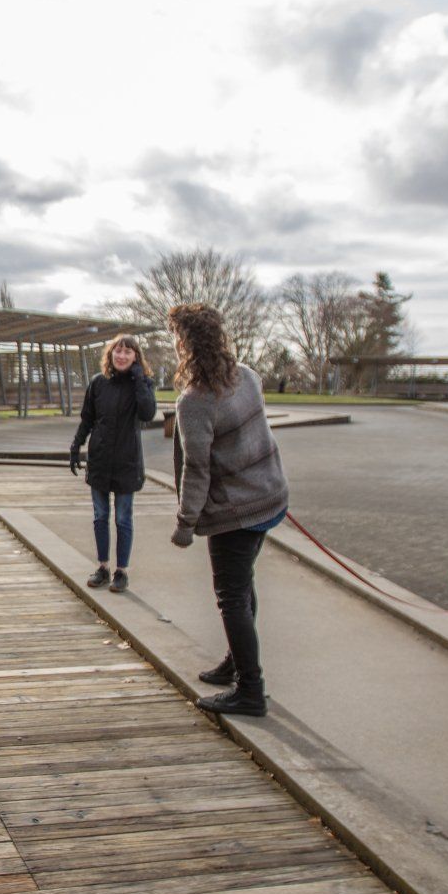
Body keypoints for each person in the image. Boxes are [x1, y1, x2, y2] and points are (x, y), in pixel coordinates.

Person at [168, 302, 290, 717]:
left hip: (237, 511)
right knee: (243, 584)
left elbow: (197, 469)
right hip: (270, 499)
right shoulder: (247, 376)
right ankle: (236, 662)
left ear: (185, 343)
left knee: (231, 596)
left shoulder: (195, 400)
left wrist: (185, 523)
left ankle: (250, 691)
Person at [69, 334, 157, 593]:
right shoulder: (98, 383)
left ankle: (122, 571)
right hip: (100, 459)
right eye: (118, 351)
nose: (122, 356)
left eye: (128, 352)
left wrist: (140, 380)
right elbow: (87, 419)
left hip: (127, 462)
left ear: (135, 357)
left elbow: (147, 413)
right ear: (110, 354)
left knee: (123, 519)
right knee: (100, 517)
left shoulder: (142, 384)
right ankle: (103, 567)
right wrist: (76, 446)